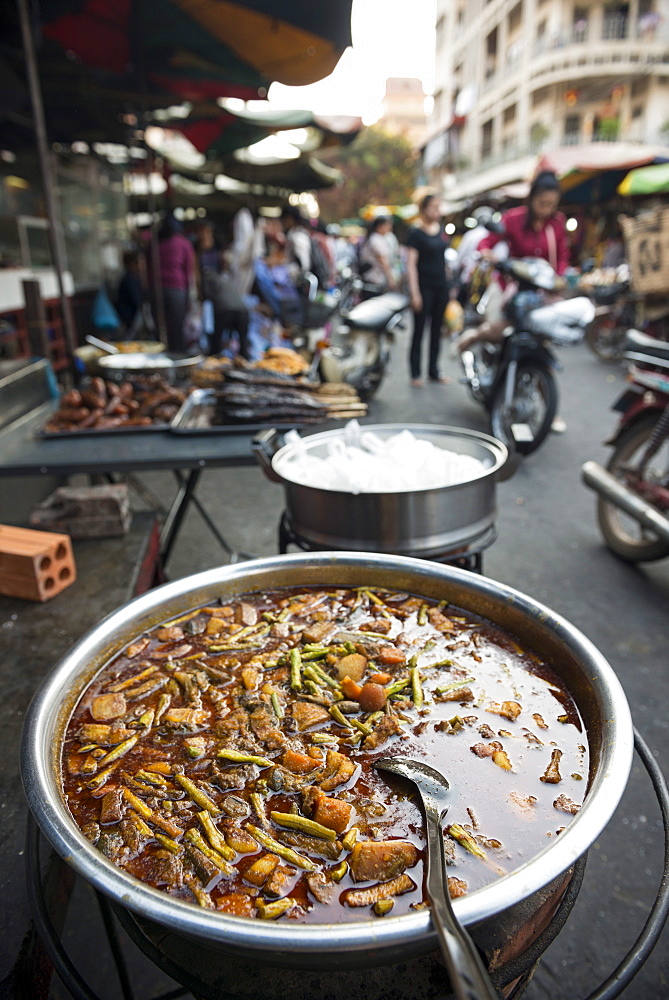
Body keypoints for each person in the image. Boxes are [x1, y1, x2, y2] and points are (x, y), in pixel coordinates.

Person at [455, 170, 569, 431]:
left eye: (551, 204)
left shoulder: (557, 224)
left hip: (541, 294)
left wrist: (560, 275)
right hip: (511, 287)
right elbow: (488, 241)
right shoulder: (513, 218)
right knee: (497, 328)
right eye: (542, 203)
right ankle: (474, 338)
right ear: (532, 199)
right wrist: (487, 253)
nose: (546, 209)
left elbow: (562, 256)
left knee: (541, 347)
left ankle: (548, 407)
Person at [405, 193, 451, 386]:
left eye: (438, 207)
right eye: (433, 207)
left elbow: (444, 262)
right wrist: (414, 293)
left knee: (437, 330)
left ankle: (434, 370)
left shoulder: (441, 231)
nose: (437, 212)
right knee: (419, 331)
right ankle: (415, 373)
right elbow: (411, 265)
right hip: (424, 288)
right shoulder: (416, 235)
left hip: (441, 287)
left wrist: (451, 288)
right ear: (423, 210)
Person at [151, 214, 195, 353]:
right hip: (177, 290)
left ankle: (160, 358)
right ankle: (178, 360)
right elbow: (188, 272)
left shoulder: (154, 244)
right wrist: (188, 297)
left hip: (157, 290)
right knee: (177, 329)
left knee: (160, 329)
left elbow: (148, 269)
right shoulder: (184, 244)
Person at [359, 216, 399, 296]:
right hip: (373, 279)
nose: (390, 227)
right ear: (380, 226)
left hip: (375, 279)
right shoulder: (376, 239)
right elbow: (383, 261)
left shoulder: (382, 238)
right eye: (388, 225)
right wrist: (391, 279)